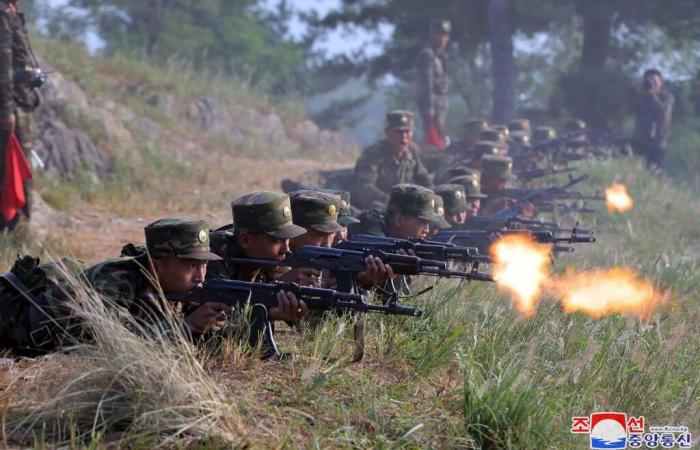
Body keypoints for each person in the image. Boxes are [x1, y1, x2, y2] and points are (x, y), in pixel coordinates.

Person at [0, 218, 237, 356]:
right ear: (157, 264)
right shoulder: (115, 281)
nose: (200, 275)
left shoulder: (180, 288)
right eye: (190, 265)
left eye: (204, 265)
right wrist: (186, 326)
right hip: (11, 321)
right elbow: (115, 345)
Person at [0, 0, 42, 229]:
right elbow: (3, 67)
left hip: (20, 103)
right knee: (13, 166)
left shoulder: (12, 14)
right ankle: (15, 227)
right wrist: (7, 111)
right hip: (11, 106)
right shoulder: (3, 17)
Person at [350, 110, 432, 210]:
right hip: (374, 208)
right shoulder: (373, 154)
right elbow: (364, 187)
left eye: (407, 131)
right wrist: (391, 201)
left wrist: (430, 196)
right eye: (399, 132)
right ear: (387, 132)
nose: (404, 137)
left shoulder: (412, 152)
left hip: (401, 208)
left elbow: (424, 180)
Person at [348, 183, 442, 240]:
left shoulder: (397, 233)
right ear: (399, 220)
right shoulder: (371, 227)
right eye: (422, 222)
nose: (427, 230)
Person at [416, 19, 451, 148]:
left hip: (441, 104)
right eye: (439, 33)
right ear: (432, 35)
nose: (443, 38)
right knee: (433, 137)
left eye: (445, 34)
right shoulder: (427, 55)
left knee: (440, 134)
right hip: (432, 104)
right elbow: (426, 81)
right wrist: (429, 105)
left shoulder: (442, 58)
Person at [633, 68, 674, 170]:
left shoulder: (666, 97)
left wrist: (652, 95)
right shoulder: (642, 97)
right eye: (649, 81)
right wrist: (639, 92)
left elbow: (662, 111)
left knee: (656, 172)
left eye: (654, 81)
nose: (651, 84)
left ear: (661, 83)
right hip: (641, 140)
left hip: (657, 143)